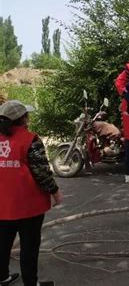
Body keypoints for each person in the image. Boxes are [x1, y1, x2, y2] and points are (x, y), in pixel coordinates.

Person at [0, 100, 64, 286]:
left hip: (2, 204)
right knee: (29, 246)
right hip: (28, 205)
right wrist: (55, 192)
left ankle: (2, 277)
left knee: (2, 243)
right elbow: (42, 171)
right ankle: (31, 283)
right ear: (23, 119)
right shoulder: (30, 140)